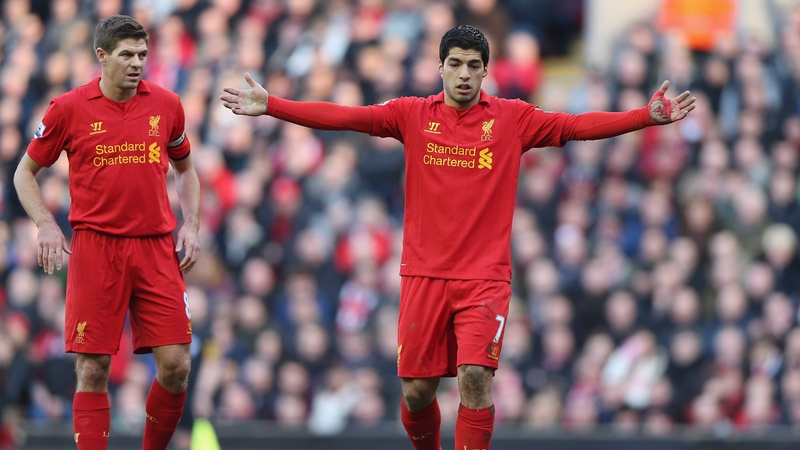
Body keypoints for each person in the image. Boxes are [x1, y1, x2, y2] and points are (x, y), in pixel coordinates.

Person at [220, 25, 695, 450]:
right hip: (423, 275)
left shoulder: (512, 119)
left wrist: (643, 117)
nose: (463, 74)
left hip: (484, 279)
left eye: (473, 65)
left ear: (486, 70)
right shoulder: (411, 114)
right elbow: (348, 117)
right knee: (416, 391)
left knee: (474, 377)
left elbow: (575, 126)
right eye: (455, 64)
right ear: (440, 68)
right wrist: (274, 106)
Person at [13, 15, 200, 450]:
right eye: (126, 55)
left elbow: (186, 170)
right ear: (102, 56)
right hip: (96, 247)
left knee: (176, 366)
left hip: (156, 246)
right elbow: (25, 173)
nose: (137, 64)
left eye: (142, 55)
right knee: (93, 369)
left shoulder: (168, 104)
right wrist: (45, 223)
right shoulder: (68, 108)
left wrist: (192, 222)